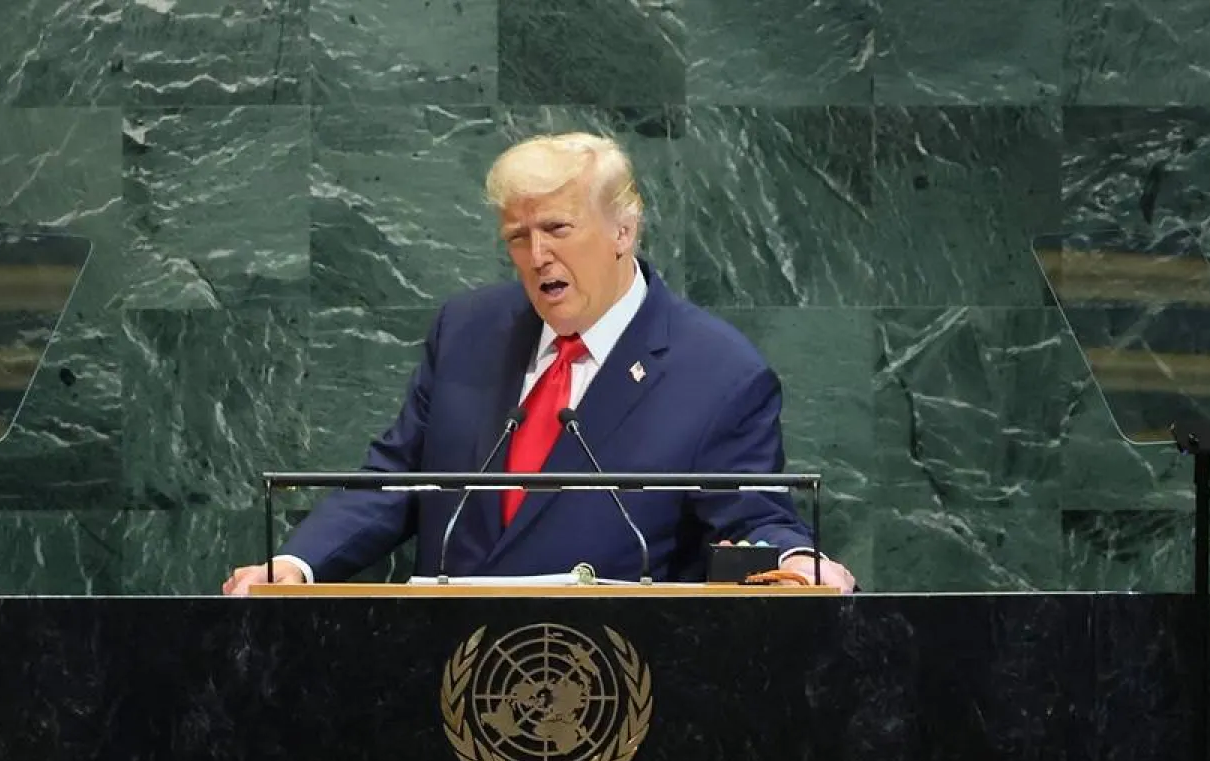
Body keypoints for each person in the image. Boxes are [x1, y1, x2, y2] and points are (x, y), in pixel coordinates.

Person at [224, 132, 856, 594]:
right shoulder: (468, 330)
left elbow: (755, 516)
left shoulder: (717, 371)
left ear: (622, 232)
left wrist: (797, 560)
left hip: (608, 684)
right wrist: (297, 566)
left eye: (557, 227)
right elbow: (395, 478)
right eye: (518, 237)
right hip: (437, 667)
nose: (537, 255)